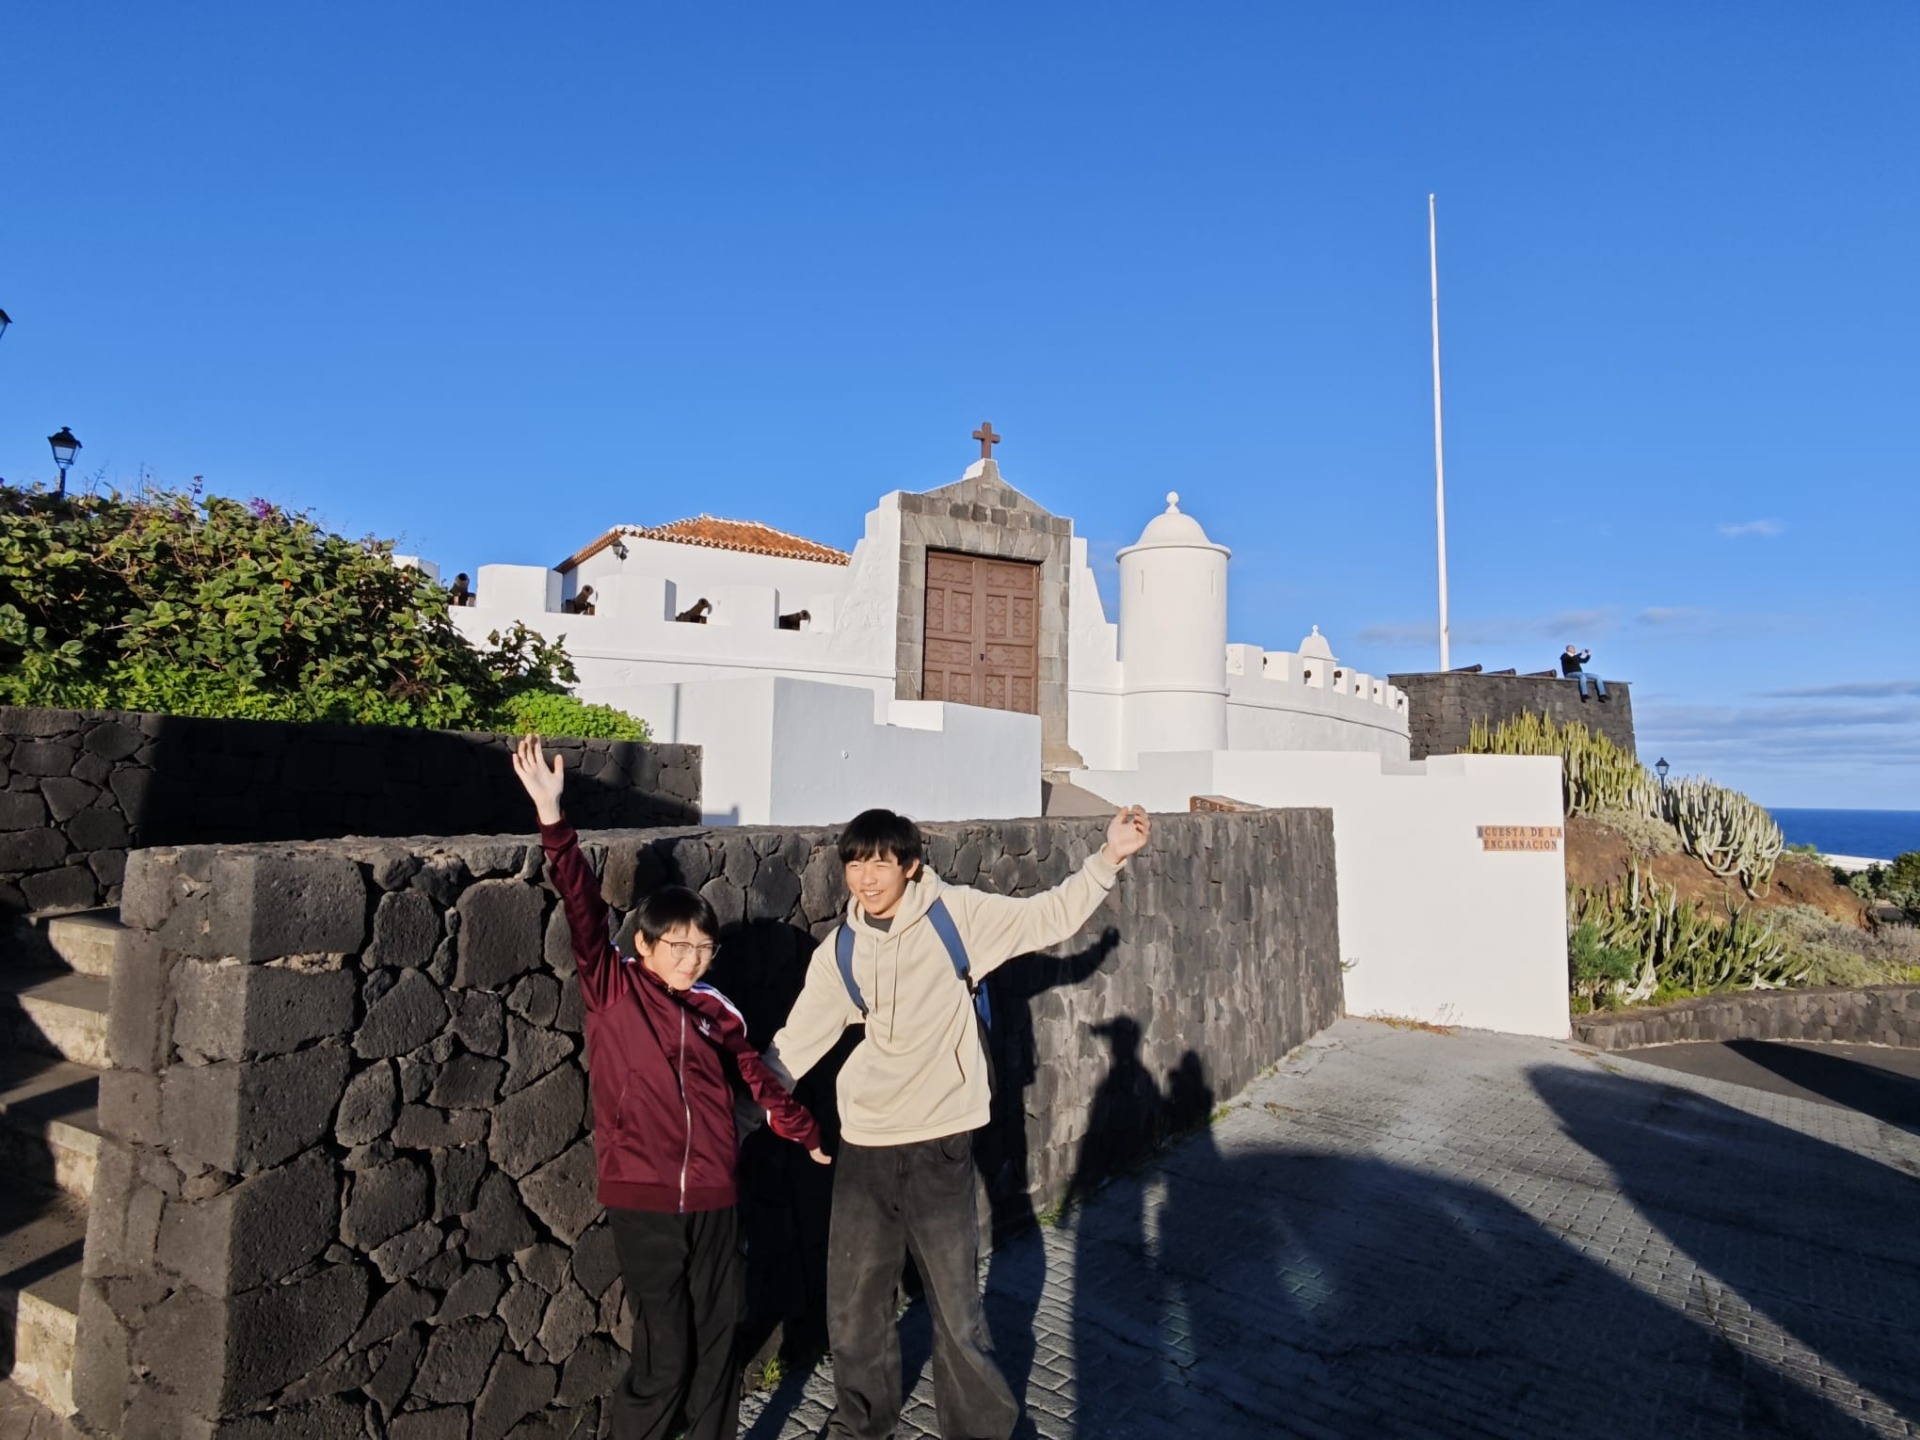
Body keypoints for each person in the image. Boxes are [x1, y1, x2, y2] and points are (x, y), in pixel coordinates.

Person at [762, 803, 1152, 1440]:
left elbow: (1046, 917)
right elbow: (797, 1041)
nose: (865, 877)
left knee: (955, 1306)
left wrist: (1108, 858)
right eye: (855, 863)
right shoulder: (842, 949)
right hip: (864, 1143)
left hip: (941, 1137)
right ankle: (862, 1423)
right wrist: (747, 1106)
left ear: (911, 866)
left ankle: (980, 1431)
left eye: (881, 863)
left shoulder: (957, 917)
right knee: (855, 1306)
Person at [512, 734, 829, 1440]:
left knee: (720, 1346)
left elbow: (756, 1079)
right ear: (645, 947)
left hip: (717, 1194)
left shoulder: (719, 1009)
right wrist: (552, 819)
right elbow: (583, 907)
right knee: (665, 1352)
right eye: (676, 945)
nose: (690, 958)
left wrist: (804, 1132)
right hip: (644, 1198)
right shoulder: (614, 989)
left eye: (702, 947)